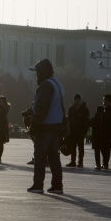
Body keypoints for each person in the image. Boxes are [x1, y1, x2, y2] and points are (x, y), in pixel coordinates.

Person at [27, 59, 66, 194]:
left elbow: (41, 108)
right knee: (54, 158)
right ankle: (57, 185)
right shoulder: (57, 84)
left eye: (37, 72)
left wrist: (34, 125)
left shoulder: (45, 86)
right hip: (56, 126)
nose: (36, 75)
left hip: (45, 127)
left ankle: (38, 185)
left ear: (42, 72)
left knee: (40, 157)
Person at [91, 94, 111, 170]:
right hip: (103, 133)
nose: (103, 102)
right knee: (105, 149)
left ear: (109, 101)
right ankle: (104, 164)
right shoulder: (103, 110)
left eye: (104, 100)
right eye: (103, 100)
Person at [66, 93, 90, 168]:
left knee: (80, 147)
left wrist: (85, 131)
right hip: (73, 131)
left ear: (80, 100)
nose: (76, 101)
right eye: (75, 100)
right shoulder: (71, 108)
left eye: (78, 100)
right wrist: (68, 130)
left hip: (80, 131)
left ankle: (80, 162)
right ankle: (73, 161)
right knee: (73, 147)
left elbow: (87, 121)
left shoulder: (85, 109)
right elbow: (69, 120)